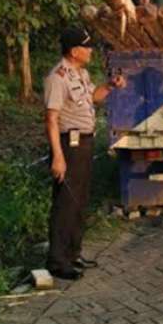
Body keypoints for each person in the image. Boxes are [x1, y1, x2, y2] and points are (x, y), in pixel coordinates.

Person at [43, 27, 126, 280]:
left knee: (80, 201)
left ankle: (73, 253)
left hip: (85, 143)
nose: (90, 51)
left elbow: (93, 97)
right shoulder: (57, 77)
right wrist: (58, 156)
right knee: (66, 203)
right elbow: (51, 119)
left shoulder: (81, 73)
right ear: (73, 50)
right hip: (69, 144)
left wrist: (110, 86)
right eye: (86, 47)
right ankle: (58, 261)